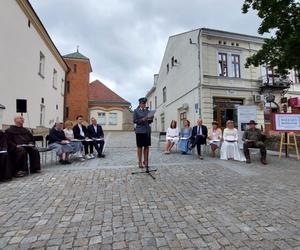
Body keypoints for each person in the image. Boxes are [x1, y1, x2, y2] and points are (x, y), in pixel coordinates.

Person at [133, 97, 153, 168]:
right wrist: (143, 119)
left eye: (145, 103)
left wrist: (150, 119)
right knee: (140, 147)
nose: (144, 104)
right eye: (143, 103)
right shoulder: (136, 111)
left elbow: (150, 121)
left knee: (146, 147)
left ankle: (146, 161)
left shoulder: (148, 111)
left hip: (147, 131)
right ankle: (140, 162)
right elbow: (135, 121)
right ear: (140, 103)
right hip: (140, 131)